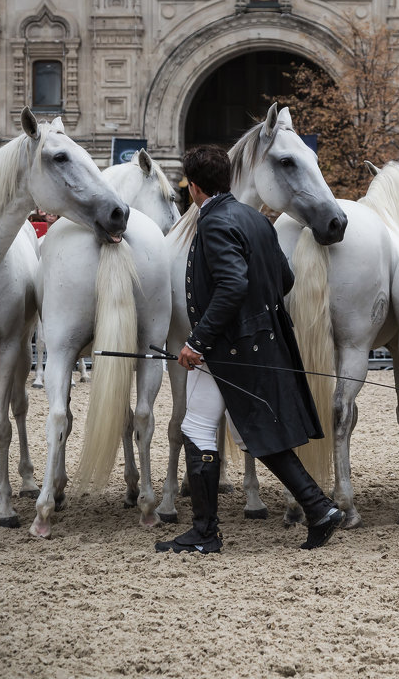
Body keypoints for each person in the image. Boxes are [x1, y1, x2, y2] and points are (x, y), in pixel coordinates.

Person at [156, 145, 343, 555]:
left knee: (204, 429)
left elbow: (233, 284)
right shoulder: (255, 218)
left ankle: (206, 533)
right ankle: (318, 508)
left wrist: (197, 341)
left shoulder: (214, 222)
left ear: (194, 187)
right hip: (251, 344)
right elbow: (285, 279)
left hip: (229, 350)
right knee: (251, 433)